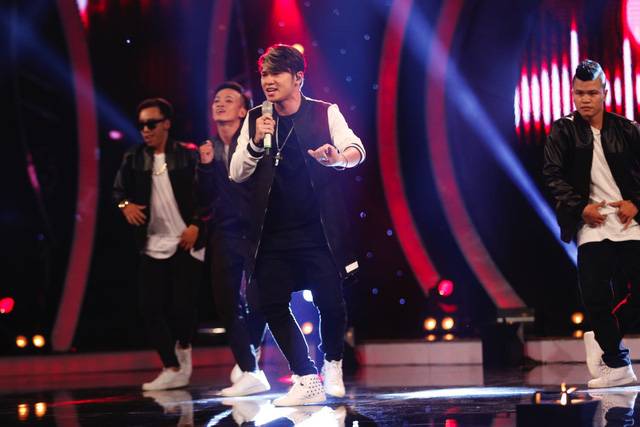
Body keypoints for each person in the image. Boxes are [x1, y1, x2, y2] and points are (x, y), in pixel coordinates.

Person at [230, 44, 366, 406]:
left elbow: (355, 149)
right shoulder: (256, 118)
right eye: (264, 74)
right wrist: (255, 141)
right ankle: (306, 377)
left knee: (331, 303)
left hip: (318, 231)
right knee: (270, 302)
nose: (268, 81)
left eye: (276, 74)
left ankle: (332, 361)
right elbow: (237, 172)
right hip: (272, 233)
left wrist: (338, 159)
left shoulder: (324, 112)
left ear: (298, 78)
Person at [543, 59, 640, 388]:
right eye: (579, 93)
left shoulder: (627, 129)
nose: (585, 99)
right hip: (591, 225)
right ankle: (617, 364)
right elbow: (552, 175)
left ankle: (603, 336)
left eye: (592, 93)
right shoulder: (563, 130)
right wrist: (580, 207)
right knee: (596, 298)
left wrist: (636, 203)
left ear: (604, 93)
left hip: (629, 223)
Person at [113, 98, 210, 390]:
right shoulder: (133, 157)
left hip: (185, 239)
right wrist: (125, 205)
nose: (146, 129)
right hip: (153, 242)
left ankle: (184, 350)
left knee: (183, 306)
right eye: (142, 125)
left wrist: (197, 224)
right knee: (149, 306)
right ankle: (171, 366)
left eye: (151, 123)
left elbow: (208, 192)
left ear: (166, 124)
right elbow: (118, 191)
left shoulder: (188, 155)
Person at [198, 82, 269, 396]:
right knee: (226, 301)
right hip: (225, 232)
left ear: (243, 111)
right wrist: (204, 168)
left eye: (229, 100)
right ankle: (250, 368)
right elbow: (202, 201)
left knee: (260, 299)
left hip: (257, 231)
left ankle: (250, 353)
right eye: (217, 100)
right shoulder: (209, 148)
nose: (220, 104)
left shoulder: (255, 141)